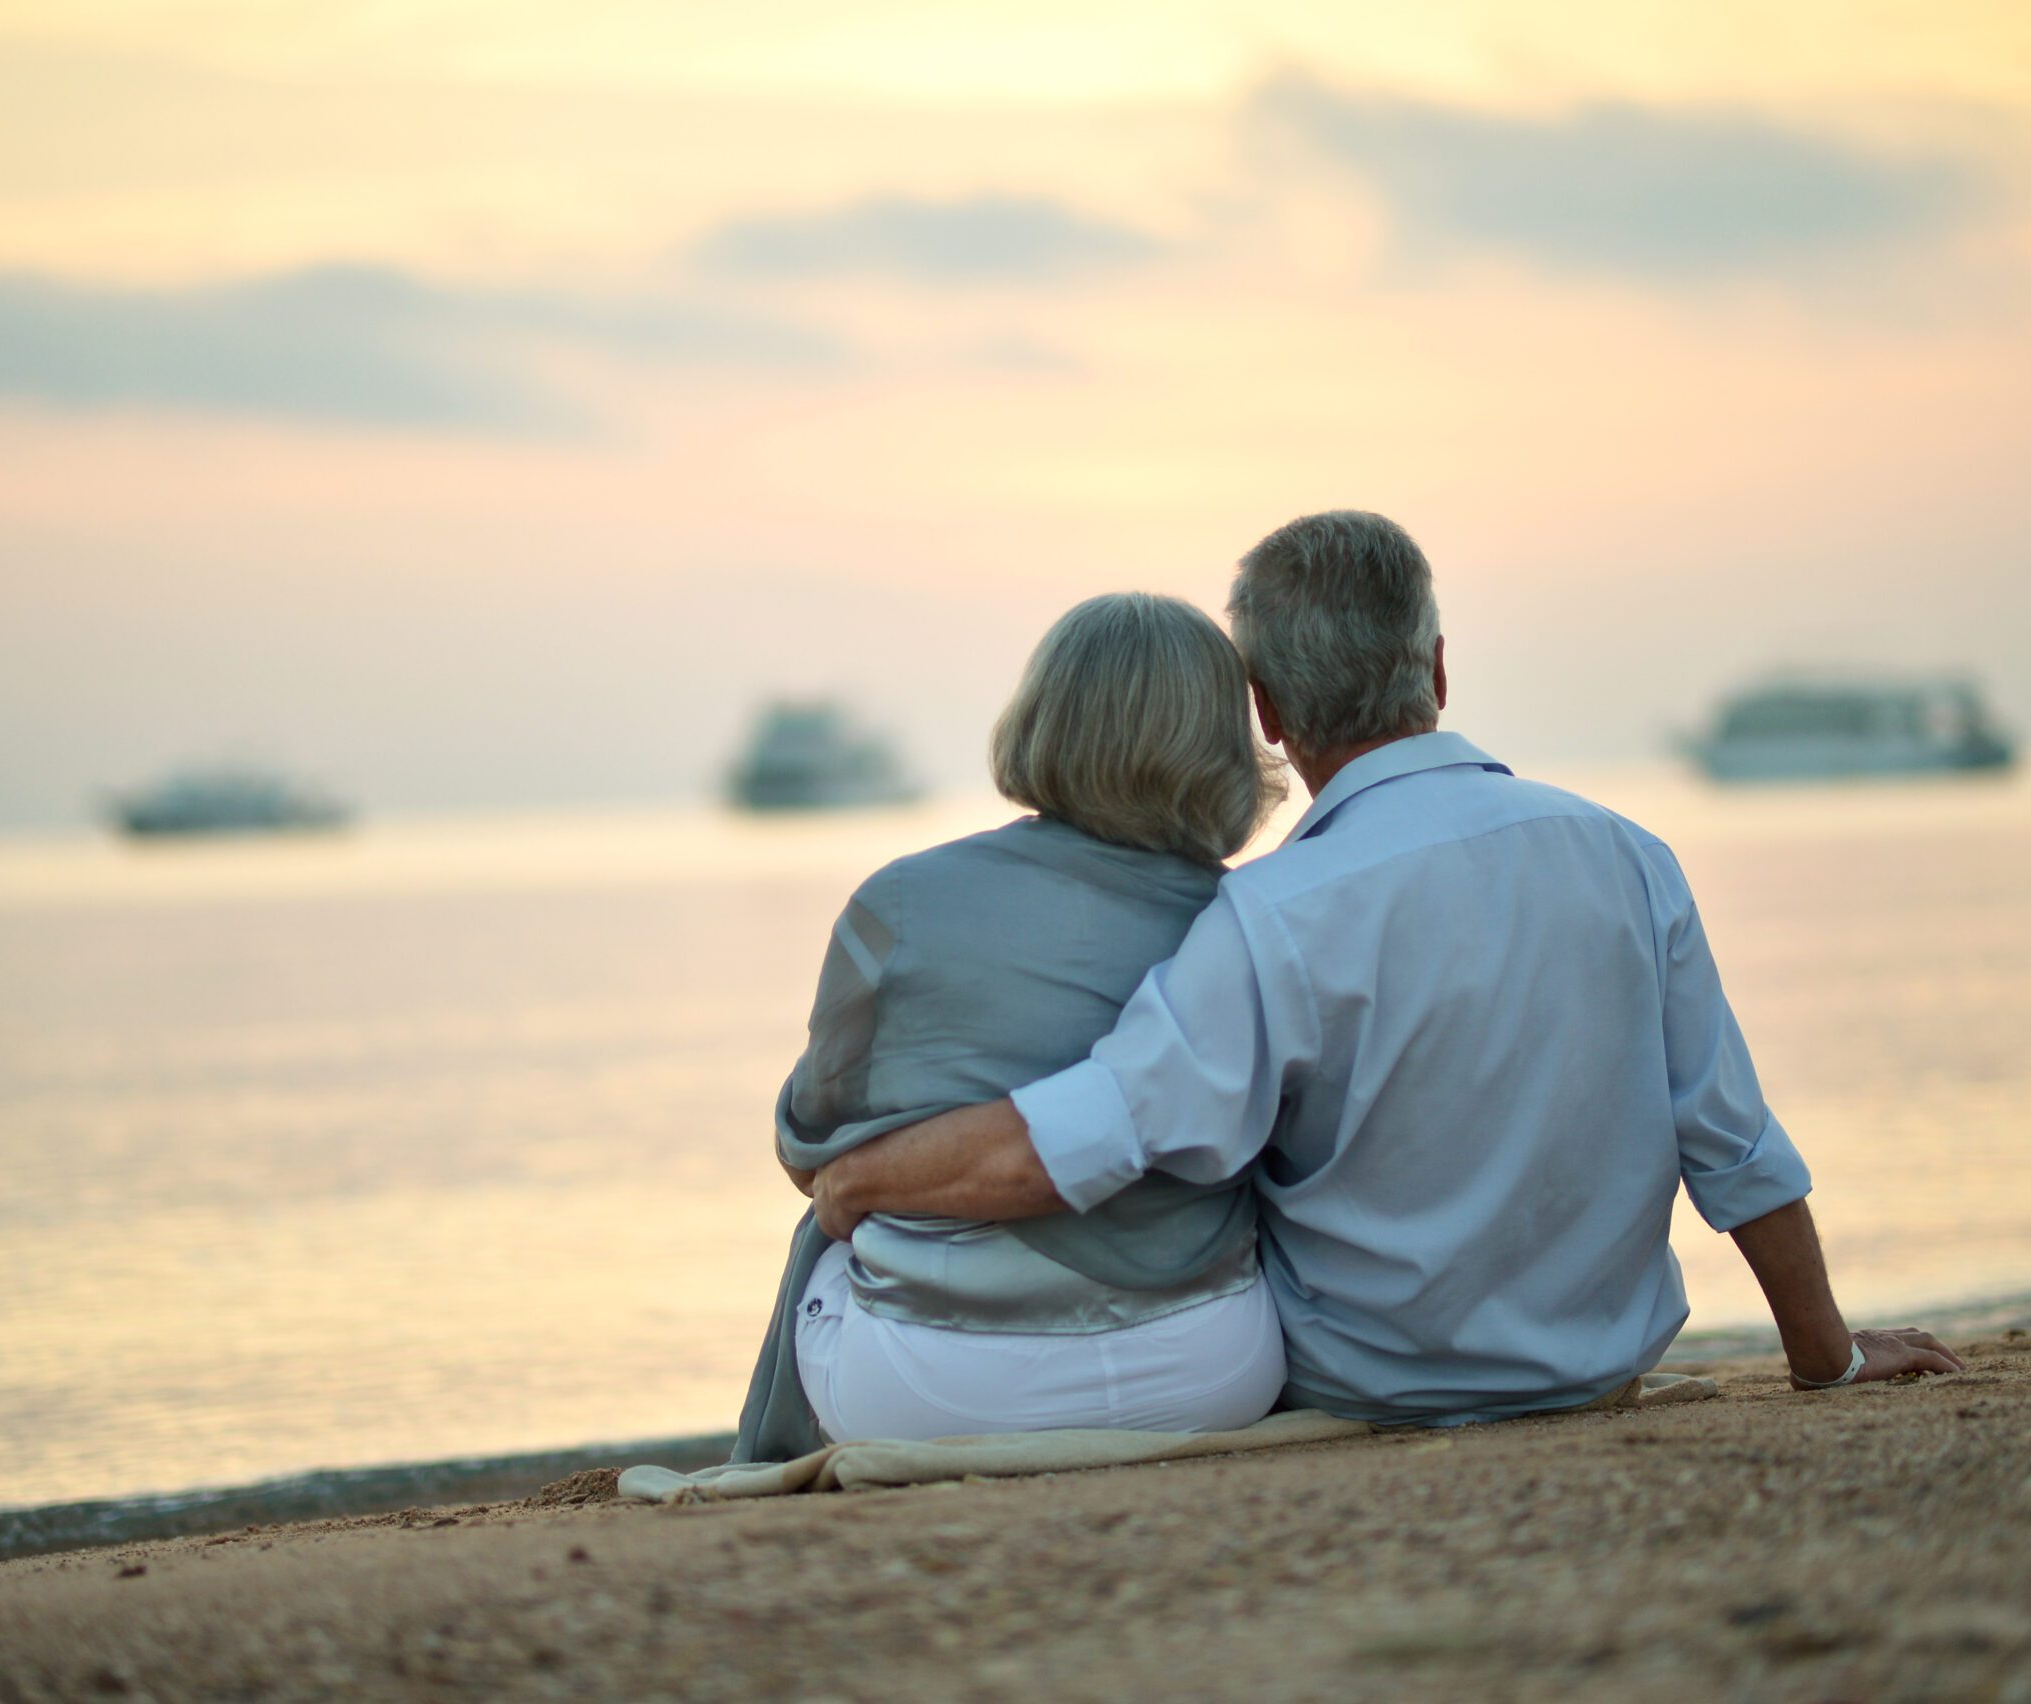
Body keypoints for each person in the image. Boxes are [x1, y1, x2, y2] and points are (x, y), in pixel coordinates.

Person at [811, 510, 1962, 1421]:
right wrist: (1827, 1357)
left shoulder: (1269, 916)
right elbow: (1730, 1138)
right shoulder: (1627, 856)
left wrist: (861, 1180)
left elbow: (1088, 1138)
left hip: (1373, 1386)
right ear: (1439, 668)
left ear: (1264, 710)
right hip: (1596, 1369)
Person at [732, 592, 1291, 1463]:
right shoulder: (1253, 921)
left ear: (1040, 721)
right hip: (1212, 1374)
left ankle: (767, 1465)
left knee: (832, 1229)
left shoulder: (899, 904)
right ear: (1222, 749)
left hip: (933, 1388)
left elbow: (807, 1152)